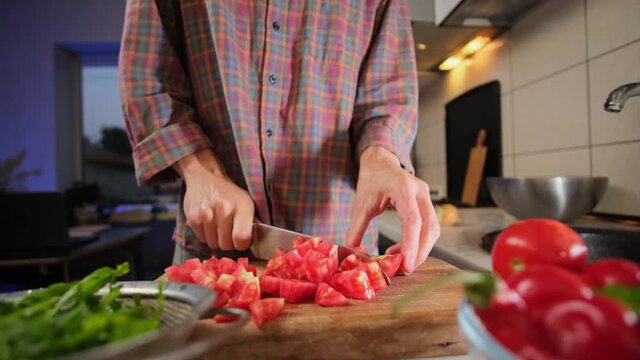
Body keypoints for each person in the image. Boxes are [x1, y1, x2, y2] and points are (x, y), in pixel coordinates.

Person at [118, 0, 440, 274]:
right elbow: (148, 78)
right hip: (214, 254)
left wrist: (381, 157)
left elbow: (387, 97)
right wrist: (200, 171)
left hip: (339, 255)